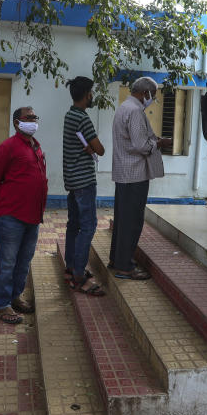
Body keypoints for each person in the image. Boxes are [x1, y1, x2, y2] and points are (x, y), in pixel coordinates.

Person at [0, 107, 49, 324]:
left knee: (24, 261)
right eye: (28, 118)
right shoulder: (8, 147)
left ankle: (16, 296)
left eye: (34, 117)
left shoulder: (36, 147)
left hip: (32, 215)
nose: (33, 120)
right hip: (11, 215)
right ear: (16, 123)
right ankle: (2, 305)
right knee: (8, 262)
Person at [110, 76, 172, 280]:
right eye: (153, 95)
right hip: (134, 174)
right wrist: (159, 144)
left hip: (124, 173)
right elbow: (140, 145)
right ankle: (125, 267)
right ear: (145, 92)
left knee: (123, 220)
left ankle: (117, 260)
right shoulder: (135, 111)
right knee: (132, 221)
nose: (153, 99)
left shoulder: (124, 107)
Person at [62, 77, 107, 294]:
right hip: (84, 181)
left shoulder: (70, 115)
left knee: (74, 226)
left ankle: (71, 268)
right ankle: (79, 276)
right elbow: (100, 149)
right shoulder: (83, 118)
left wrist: (88, 146)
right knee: (88, 226)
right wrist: (93, 146)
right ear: (87, 94)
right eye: (91, 92)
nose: (92, 96)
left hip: (72, 180)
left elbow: (86, 145)